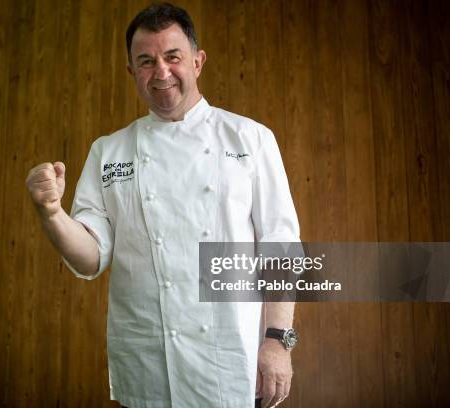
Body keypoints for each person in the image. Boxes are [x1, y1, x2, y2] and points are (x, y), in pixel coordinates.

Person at [26, 3, 300, 408]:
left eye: (173, 57)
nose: (162, 72)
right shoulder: (108, 152)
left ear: (197, 61)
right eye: (146, 61)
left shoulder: (250, 138)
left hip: (225, 356)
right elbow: (90, 258)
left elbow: (281, 245)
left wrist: (278, 342)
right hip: (146, 359)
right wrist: (51, 213)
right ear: (131, 72)